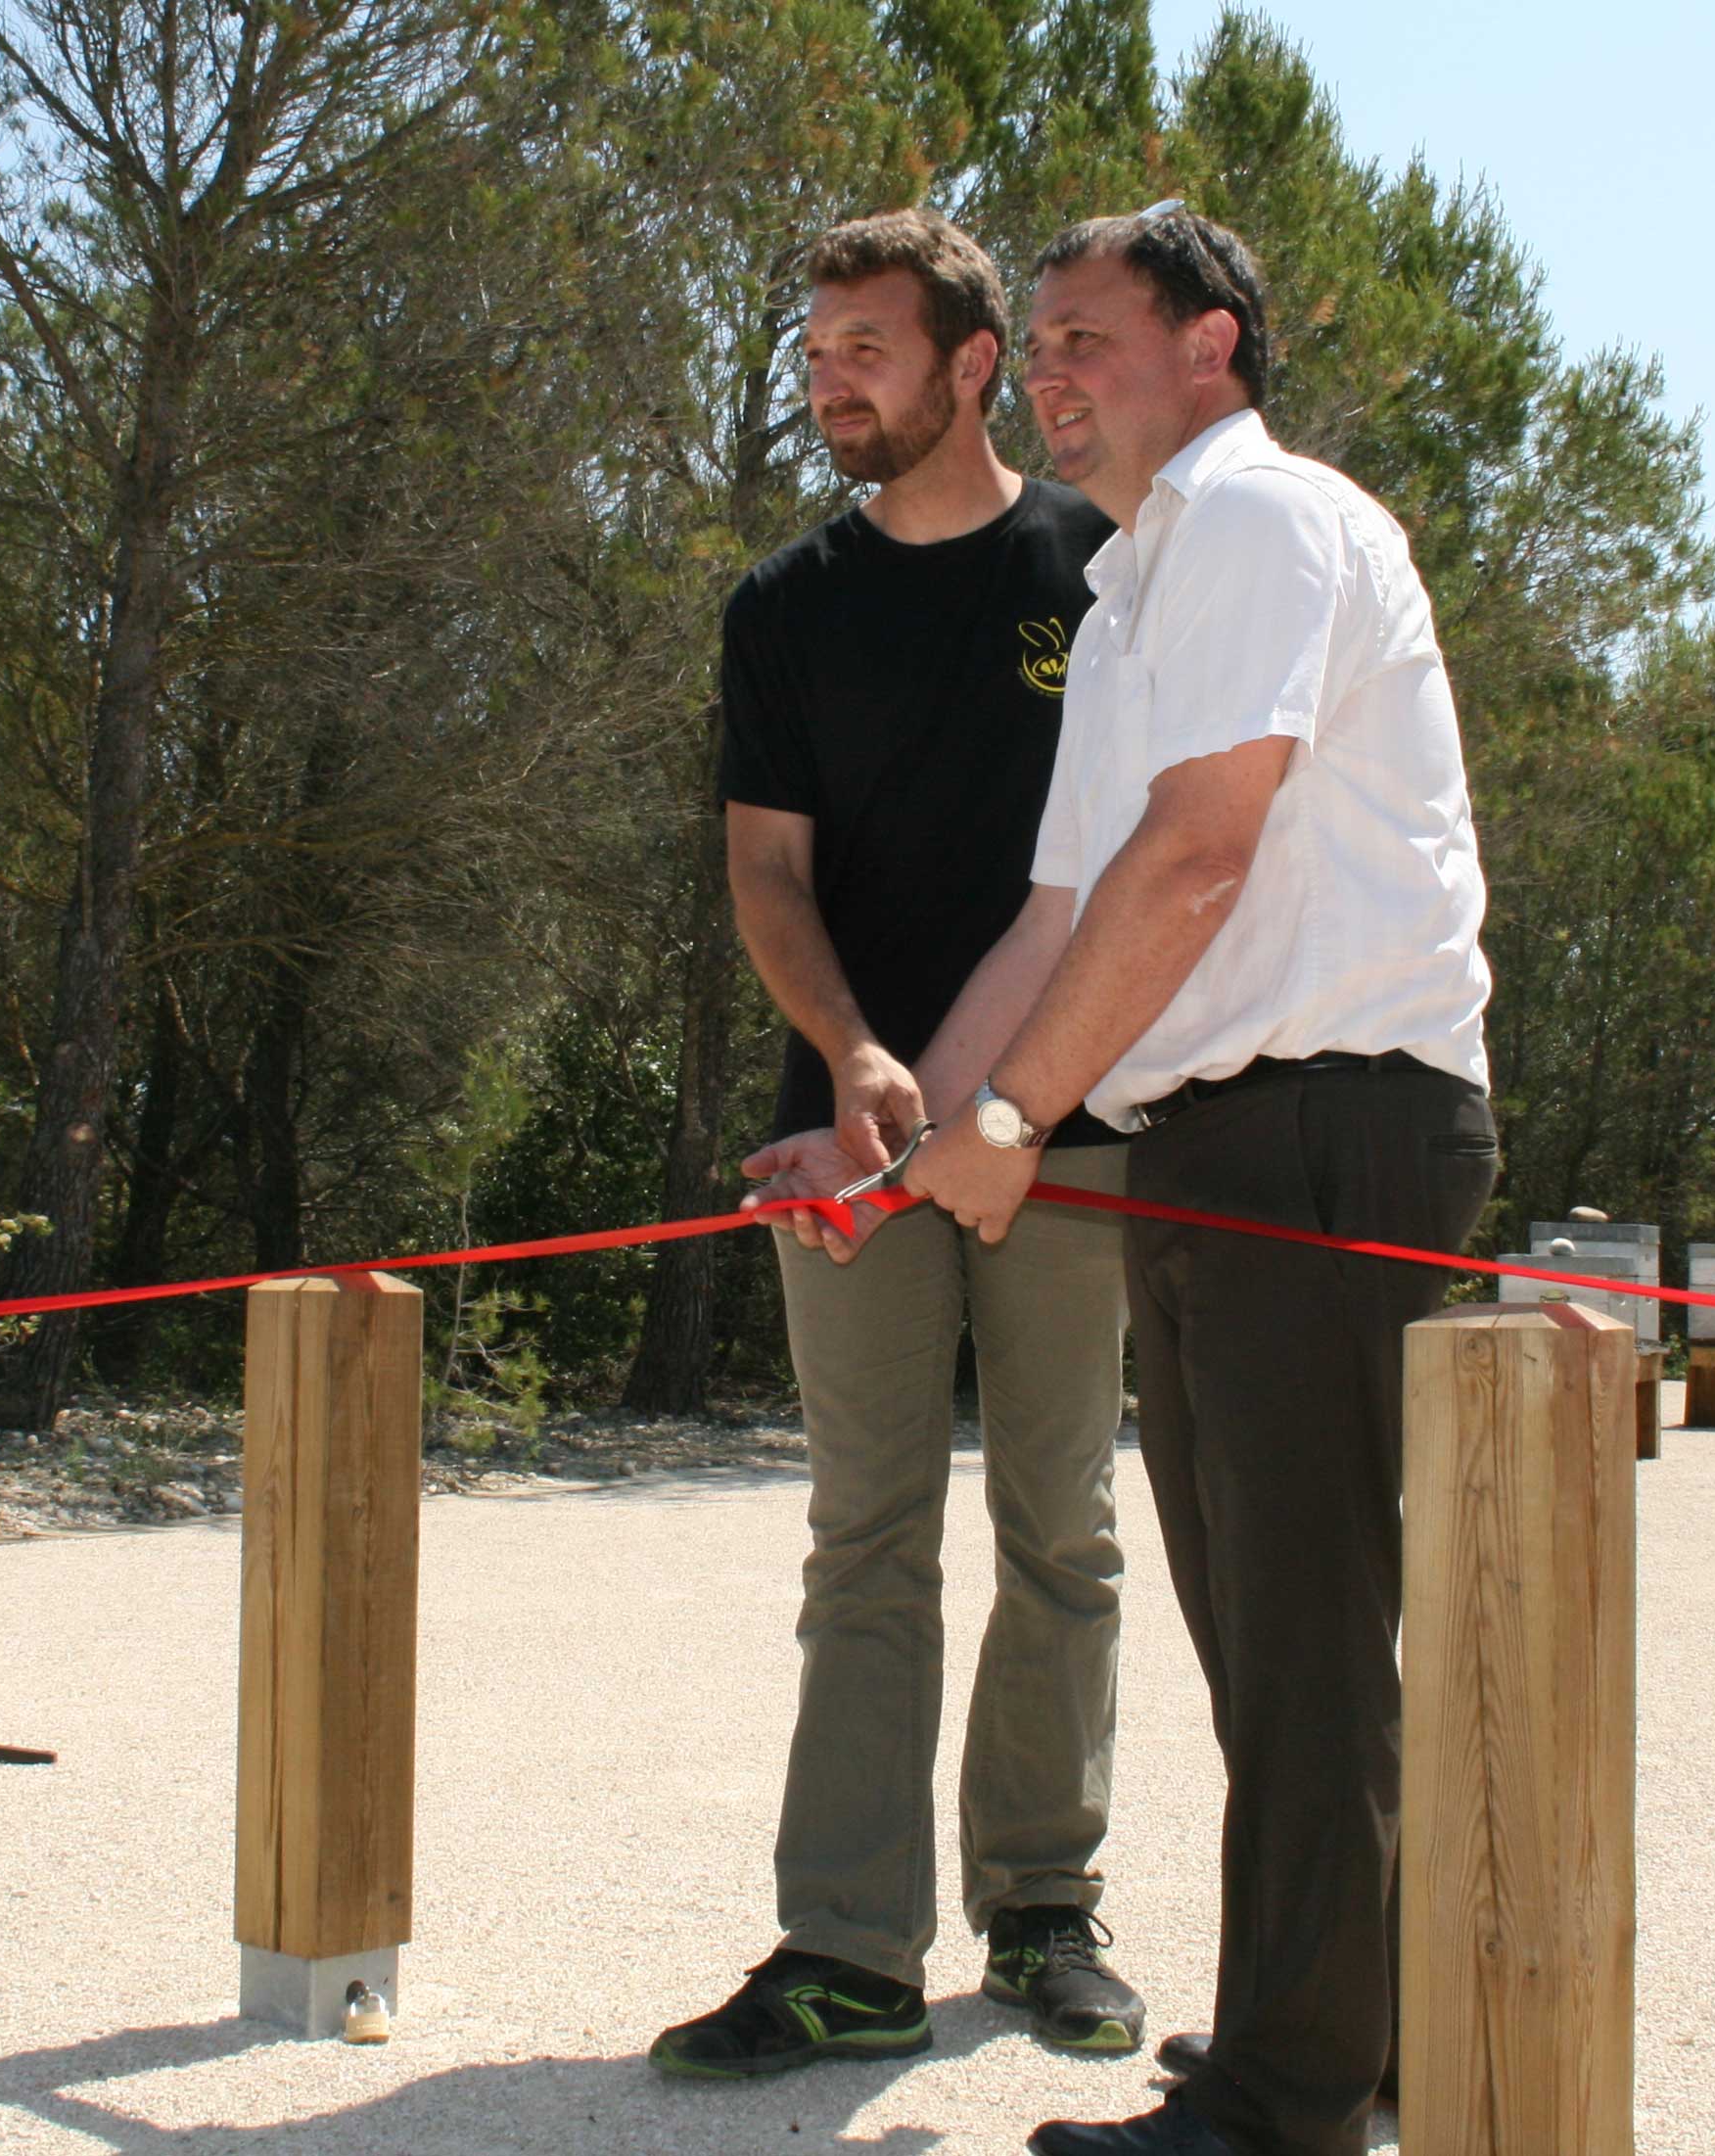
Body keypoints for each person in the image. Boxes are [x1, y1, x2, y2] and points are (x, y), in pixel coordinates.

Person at [899, 205, 1497, 2156]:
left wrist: (1013, 1126)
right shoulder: (1125, 597)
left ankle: (1286, 2101)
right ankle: (1352, 2039)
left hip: (1331, 1118)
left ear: (1213, 343)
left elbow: (1198, 855)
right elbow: (1057, 916)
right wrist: (904, 1134)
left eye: (1085, 335)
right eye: (1040, 344)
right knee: (1263, 1631)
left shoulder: (1260, 520)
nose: (1048, 374)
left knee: (1305, 1633)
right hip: (1214, 1138)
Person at [647, 208, 1145, 2085]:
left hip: (1068, 1119)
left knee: (1060, 1524)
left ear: (971, 362)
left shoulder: (1104, 565)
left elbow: (1144, 865)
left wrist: (1015, 1091)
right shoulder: (782, 607)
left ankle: (1043, 1910)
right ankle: (848, 1948)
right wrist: (852, 1050)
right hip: (843, 1147)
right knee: (864, 1535)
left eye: (866, 346)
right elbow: (763, 873)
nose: (829, 380)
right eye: (815, 351)